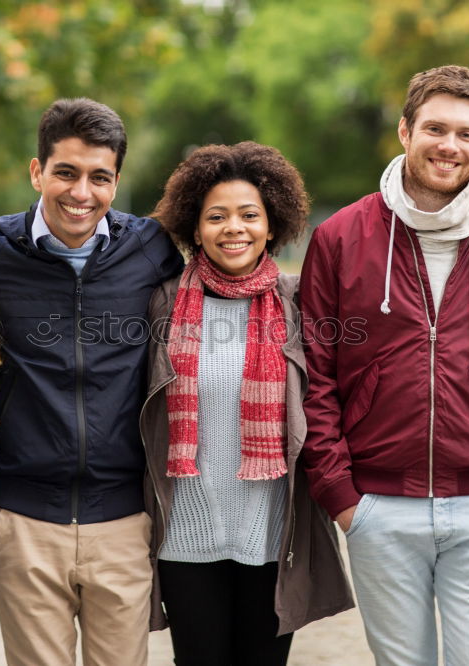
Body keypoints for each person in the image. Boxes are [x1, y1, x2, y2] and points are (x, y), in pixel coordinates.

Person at [299, 64, 469, 665]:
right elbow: (316, 372)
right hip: (377, 508)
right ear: (404, 131)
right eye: (436, 128)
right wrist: (341, 494)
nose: (450, 145)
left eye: (466, 134)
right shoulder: (340, 238)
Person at [0, 97, 183, 665]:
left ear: (117, 180)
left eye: (100, 177)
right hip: (25, 519)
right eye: (65, 172)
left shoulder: (151, 249)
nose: (81, 193)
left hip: (123, 518)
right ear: (37, 170)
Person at [141, 141, 354, 665]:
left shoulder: (300, 300)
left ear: (271, 223)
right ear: (195, 228)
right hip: (185, 529)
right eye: (217, 216)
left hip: (270, 529)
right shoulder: (162, 303)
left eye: (248, 215)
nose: (233, 227)